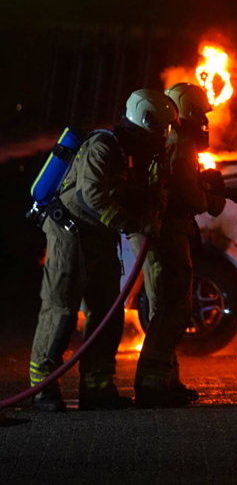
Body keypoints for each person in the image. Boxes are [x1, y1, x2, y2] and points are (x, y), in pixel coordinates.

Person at [29, 89, 176, 412]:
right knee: (61, 310)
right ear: (146, 120)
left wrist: (155, 195)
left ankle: (97, 387)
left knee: (107, 310)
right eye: (162, 128)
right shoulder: (103, 145)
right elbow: (91, 196)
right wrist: (135, 223)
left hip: (101, 236)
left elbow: (138, 194)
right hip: (70, 232)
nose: (164, 136)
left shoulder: (135, 152)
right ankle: (43, 388)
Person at [134, 82, 237, 407]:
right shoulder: (182, 144)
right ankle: (152, 386)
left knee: (169, 308)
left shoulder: (172, 141)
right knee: (170, 309)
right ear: (187, 112)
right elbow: (189, 198)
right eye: (200, 114)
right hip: (167, 233)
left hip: (168, 231)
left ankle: (167, 381)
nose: (205, 121)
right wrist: (213, 195)